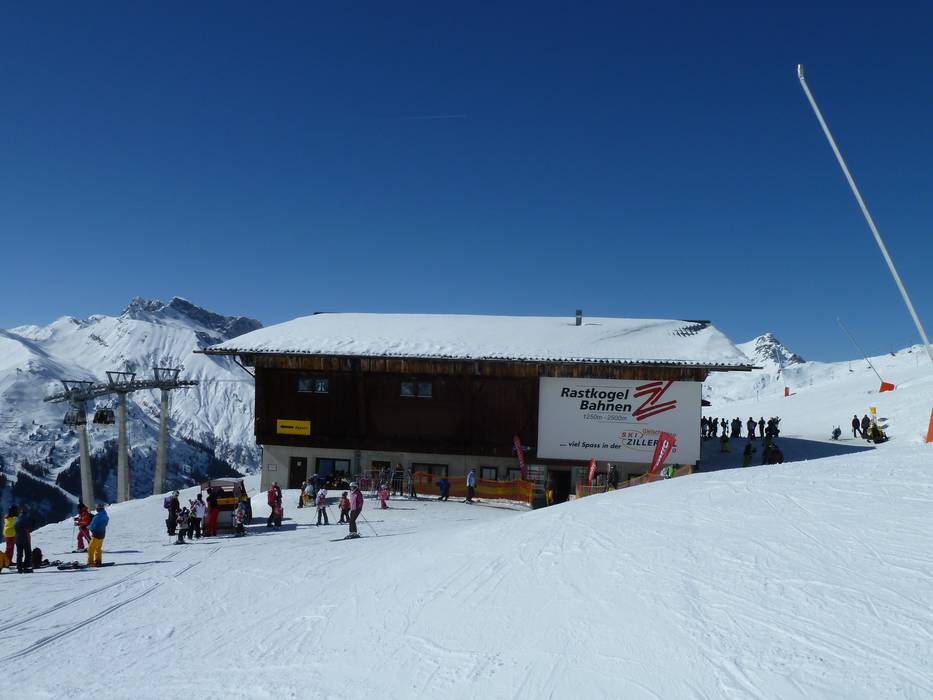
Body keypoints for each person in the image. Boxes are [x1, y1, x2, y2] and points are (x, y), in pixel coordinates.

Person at [87, 503, 109, 567]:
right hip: (102, 534)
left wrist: (88, 527)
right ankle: (98, 560)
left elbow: (92, 526)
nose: (96, 509)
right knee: (98, 548)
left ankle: (90, 562)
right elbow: (105, 524)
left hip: (96, 535)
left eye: (97, 508)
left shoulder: (97, 517)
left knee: (91, 548)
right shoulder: (106, 516)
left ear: (98, 509)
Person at [14, 506, 33, 573]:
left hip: (17, 539)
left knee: (19, 554)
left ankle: (19, 568)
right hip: (25, 538)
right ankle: (26, 567)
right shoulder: (26, 519)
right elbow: (29, 529)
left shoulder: (17, 519)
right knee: (28, 553)